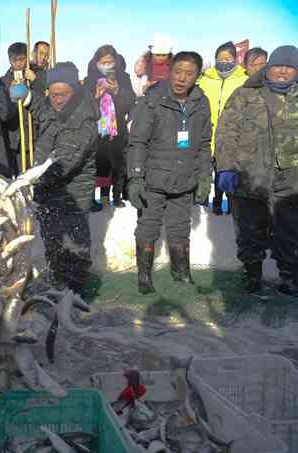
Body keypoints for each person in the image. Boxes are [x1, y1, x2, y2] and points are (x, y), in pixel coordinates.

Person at [127, 51, 212, 295]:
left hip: (185, 179)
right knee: (148, 227)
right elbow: (138, 141)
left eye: (189, 74)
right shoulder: (152, 100)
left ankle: (181, 272)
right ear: (170, 71)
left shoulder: (200, 102)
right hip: (154, 179)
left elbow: (205, 143)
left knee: (179, 229)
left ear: (197, 76)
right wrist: (135, 177)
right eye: (177, 72)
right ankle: (144, 276)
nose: (181, 78)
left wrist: (205, 175)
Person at [216, 45, 298, 296]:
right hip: (250, 176)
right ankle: (251, 274)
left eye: (290, 66)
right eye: (277, 65)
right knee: (250, 230)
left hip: (292, 180)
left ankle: (290, 277)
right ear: (268, 68)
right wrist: (226, 167)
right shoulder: (245, 95)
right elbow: (227, 132)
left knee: (291, 231)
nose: (283, 71)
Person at [28, 62, 99, 294]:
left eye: (64, 94)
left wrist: (30, 180)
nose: (58, 100)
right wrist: (28, 98)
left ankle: (75, 292)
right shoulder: (52, 107)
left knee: (75, 245)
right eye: (53, 94)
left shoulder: (83, 119)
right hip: (47, 191)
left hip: (73, 194)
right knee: (52, 242)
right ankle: (57, 282)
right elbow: (41, 111)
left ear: (75, 90)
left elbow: (64, 162)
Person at [198, 41, 249, 215]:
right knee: (203, 170)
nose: (224, 62)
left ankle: (221, 203)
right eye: (220, 59)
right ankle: (201, 203)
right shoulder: (205, 80)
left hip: (230, 136)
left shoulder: (244, 80)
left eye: (228, 59)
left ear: (235, 60)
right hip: (206, 133)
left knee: (225, 170)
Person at [85, 45, 136, 210]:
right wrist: (95, 97)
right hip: (95, 129)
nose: (106, 65)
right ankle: (93, 198)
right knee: (95, 164)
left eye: (110, 62)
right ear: (96, 62)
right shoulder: (89, 80)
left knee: (117, 164)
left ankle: (116, 196)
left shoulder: (124, 78)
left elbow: (129, 103)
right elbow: (84, 106)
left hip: (117, 129)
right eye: (103, 62)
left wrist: (117, 91)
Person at [0, 42, 37, 175]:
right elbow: (4, 110)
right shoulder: (4, 81)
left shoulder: (34, 75)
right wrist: (11, 94)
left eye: (22, 59)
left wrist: (34, 80)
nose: (19, 64)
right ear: (10, 60)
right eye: (15, 60)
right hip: (15, 138)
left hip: (34, 136)